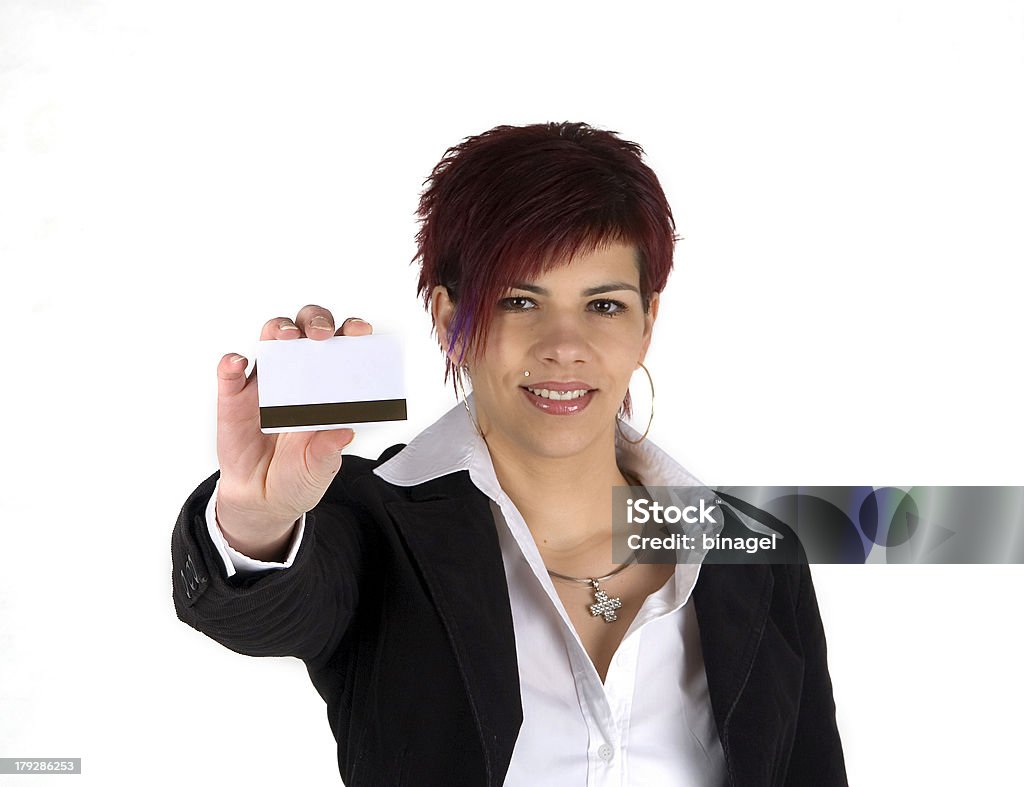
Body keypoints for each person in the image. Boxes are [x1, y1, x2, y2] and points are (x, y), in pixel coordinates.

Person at [171, 122, 847, 786]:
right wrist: (258, 520)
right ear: (448, 320)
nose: (563, 344)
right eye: (520, 300)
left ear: (647, 323)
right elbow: (266, 608)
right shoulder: (373, 523)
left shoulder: (754, 552)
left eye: (605, 306)